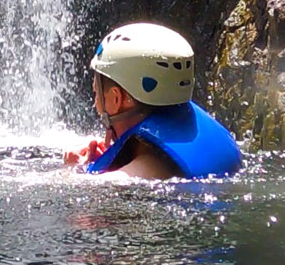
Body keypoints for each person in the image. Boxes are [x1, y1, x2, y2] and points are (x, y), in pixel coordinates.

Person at [64, 22, 243, 179]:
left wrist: (73, 167)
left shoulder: (144, 170)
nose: (95, 103)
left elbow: (83, 205)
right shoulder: (201, 130)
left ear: (117, 98)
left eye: (97, 93)